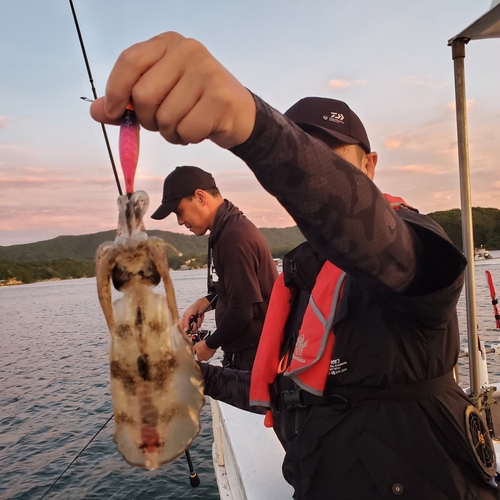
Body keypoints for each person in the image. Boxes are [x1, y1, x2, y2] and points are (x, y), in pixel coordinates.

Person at [90, 32, 498, 500]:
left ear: (370, 165)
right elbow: (289, 392)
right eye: (307, 155)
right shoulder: (305, 273)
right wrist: (195, 374)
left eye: (333, 160)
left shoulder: (412, 250)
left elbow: (368, 230)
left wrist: (250, 125)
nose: (317, 175)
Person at [150, 165, 278, 370]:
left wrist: (210, 344)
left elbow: (243, 310)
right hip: (248, 355)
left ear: (200, 197)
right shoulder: (226, 229)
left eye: (179, 212)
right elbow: (237, 292)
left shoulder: (233, 238)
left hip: (256, 358)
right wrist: (204, 303)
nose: (181, 221)